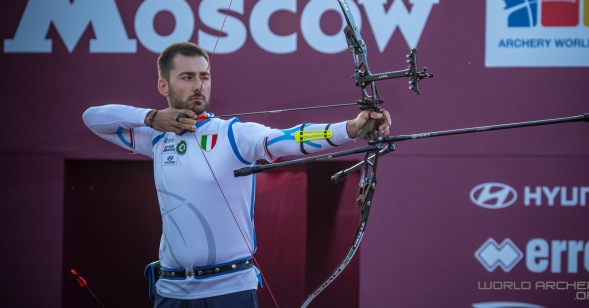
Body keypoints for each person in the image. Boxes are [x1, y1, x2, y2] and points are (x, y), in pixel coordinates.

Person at [83, 42, 391, 308]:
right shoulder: (156, 138)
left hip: (228, 290)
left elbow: (290, 138)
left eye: (204, 76)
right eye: (187, 77)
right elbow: (93, 118)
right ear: (164, 85)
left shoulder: (234, 134)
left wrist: (349, 129)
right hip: (170, 291)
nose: (198, 85)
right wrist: (150, 118)